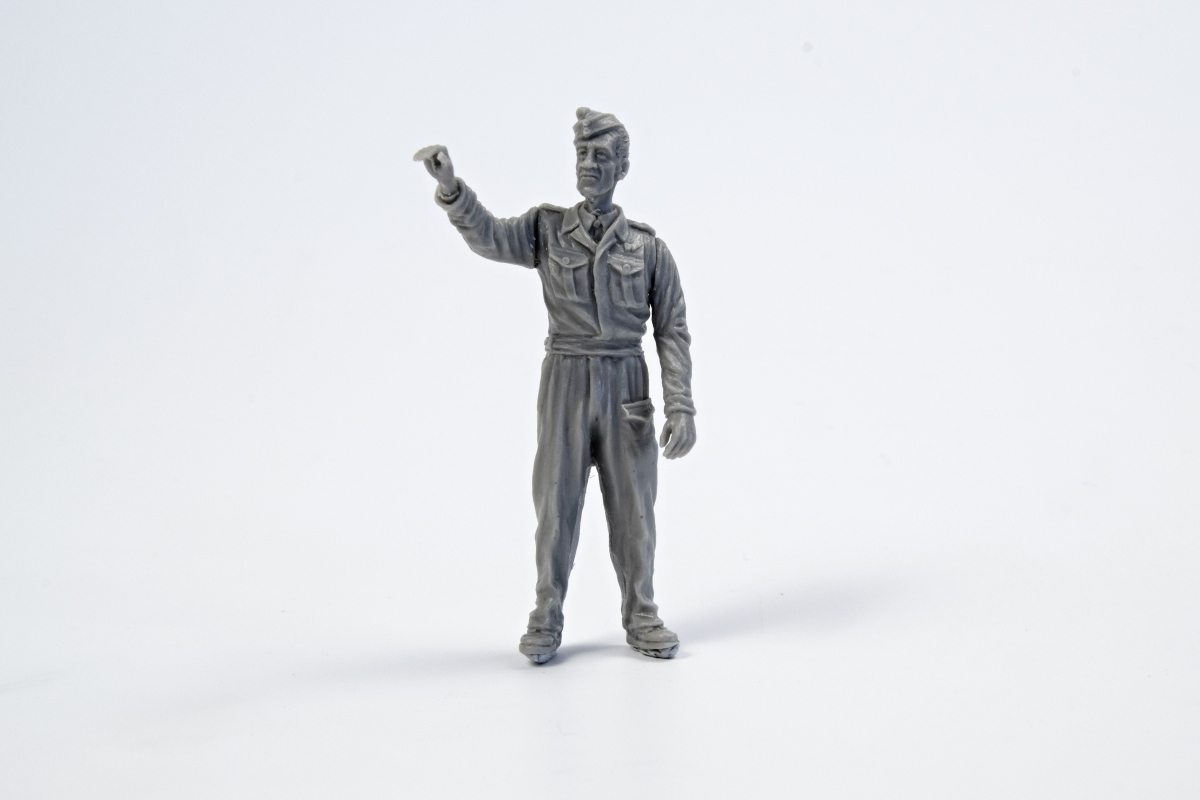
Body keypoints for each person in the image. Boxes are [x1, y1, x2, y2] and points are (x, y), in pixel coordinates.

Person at [416, 108, 696, 663]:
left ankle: (642, 612)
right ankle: (547, 613)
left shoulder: (648, 248)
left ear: (622, 167)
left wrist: (681, 406)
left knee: (635, 510)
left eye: (601, 156)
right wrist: (451, 190)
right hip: (565, 380)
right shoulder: (546, 230)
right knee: (555, 503)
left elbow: (672, 329)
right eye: (582, 154)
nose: (588, 164)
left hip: (626, 384)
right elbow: (490, 237)